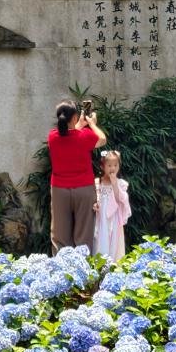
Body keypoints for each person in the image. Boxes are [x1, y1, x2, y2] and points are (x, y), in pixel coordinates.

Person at [48, 98, 107, 254]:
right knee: (84, 234)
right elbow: (102, 139)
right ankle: (83, 269)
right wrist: (92, 123)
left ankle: (61, 268)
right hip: (84, 189)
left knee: (60, 235)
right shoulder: (85, 136)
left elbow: (68, 133)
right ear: (74, 117)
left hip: (59, 190)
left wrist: (78, 124)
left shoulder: (52, 138)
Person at [93, 150, 131, 261]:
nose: (112, 168)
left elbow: (121, 199)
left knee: (114, 241)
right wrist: (95, 204)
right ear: (102, 166)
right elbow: (94, 198)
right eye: (109, 165)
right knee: (101, 239)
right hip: (101, 218)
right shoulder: (98, 182)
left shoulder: (121, 183)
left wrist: (114, 183)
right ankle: (101, 265)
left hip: (114, 218)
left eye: (115, 165)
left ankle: (114, 265)